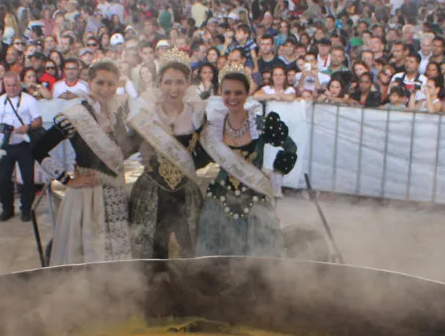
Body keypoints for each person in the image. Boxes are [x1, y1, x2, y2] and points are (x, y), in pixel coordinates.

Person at [31, 59, 134, 264]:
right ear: (89, 83)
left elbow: (123, 150)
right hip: (89, 194)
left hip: (116, 190)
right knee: (91, 251)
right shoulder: (76, 115)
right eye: (100, 83)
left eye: (111, 84)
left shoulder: (120, 113)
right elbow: (38, 149)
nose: (105, 89)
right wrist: (68, 180)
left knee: (116, 250)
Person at [195, 68, 297, 257]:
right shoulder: (213, 128)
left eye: (238, 92)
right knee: (216, 263)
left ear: (248, 93)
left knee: (258, 265)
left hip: (255, 202)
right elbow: (199, 158)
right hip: (219, 202)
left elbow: (290, 147)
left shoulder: (261, 124)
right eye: (227, 92)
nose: (232, 97)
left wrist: (277, 171)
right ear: (220, 94)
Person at [126, 57, 206, 258]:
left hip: (186, 196)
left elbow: (206, 154)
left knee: (189, 254)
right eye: (168, 82)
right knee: (151, 256)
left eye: (180, 82)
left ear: (188, 84)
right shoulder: (146, 115)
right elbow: (123, 148)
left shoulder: (197, 115)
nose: (174, 88)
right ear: (159, 84)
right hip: (151, 193)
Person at [0, 70, 44, 222]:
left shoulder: (29, 100)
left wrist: (28, 127)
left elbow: (39, 121)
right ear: (4, 85)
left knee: (28, 178)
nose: (12, 88)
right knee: (3, 178)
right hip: (5, 143)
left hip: (24, 143)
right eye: (9, 85)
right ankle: (7, 209)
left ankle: (26, 209)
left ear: (20, 84)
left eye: (15, 85)